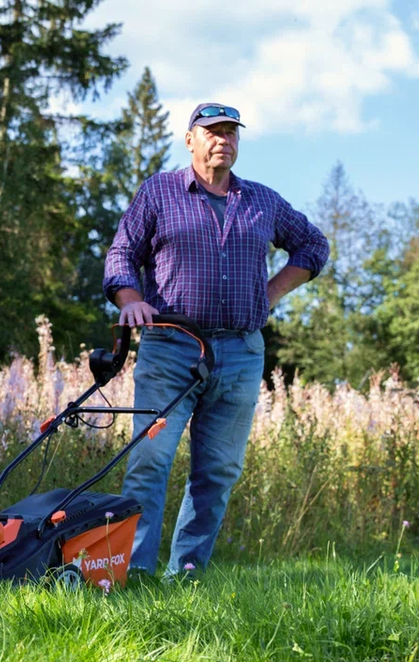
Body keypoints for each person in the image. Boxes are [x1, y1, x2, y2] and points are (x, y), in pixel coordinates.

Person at [102, 102, 330, 577]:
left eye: (231, 132)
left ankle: (185, 574)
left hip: (241, 353)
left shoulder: (262, 201)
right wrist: (130, 298)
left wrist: (269, 293)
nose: (223, 139)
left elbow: (313, 245)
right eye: (212, 131)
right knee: (149, 461)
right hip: (170, 348)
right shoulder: (159, 192)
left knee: (219, 471)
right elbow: (123, 251)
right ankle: (134, 575)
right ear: (190, 140)